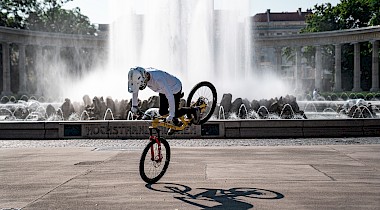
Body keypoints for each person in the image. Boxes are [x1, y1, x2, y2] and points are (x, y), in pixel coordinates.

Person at [128, 67, 200, 134]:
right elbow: (135, 89)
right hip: (163, 90)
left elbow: (170, 96)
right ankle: (176, 122)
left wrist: (171, 115)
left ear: (144, 78)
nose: (140, 86)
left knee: (175, 112)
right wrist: (134, 106)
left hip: (174, 88)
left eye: (140, 84)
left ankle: (194, 110)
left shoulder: (158, 80)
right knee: (163, 112)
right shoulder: (141, 75)